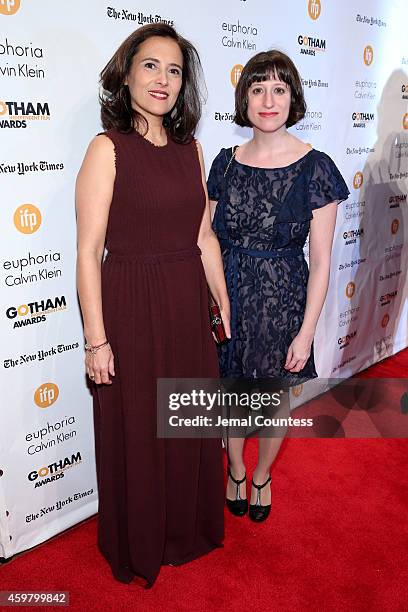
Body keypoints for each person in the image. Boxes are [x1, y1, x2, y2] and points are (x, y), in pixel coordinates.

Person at [76, 23, 230, 587]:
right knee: (140, 427)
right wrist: (97, 339)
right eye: (151, 65)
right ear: (127, 73)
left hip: (186, 303)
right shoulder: (107, 148)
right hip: (132, 304)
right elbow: (89, 250)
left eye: (174, 70)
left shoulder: (192, 150)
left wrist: (221, 299)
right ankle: (139, 540)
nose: (162, 79)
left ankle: (183, 531)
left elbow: (204, 236)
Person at [207, 50, 349, 522]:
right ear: (244, 98)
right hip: (227, 298)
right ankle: (234, 469)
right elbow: (205, 238)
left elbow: (324, 258)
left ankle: (262, 474)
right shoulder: (224, 165)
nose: (268, 100)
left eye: (279, 89)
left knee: (272, 404)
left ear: (293, 98)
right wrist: (211, 301)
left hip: (283, 300)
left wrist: (307, 332)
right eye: (258, 88)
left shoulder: (316, 167)